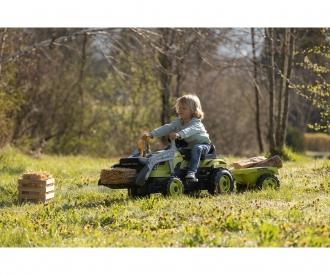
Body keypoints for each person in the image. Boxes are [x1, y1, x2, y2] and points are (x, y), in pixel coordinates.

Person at [142, 94, 211, 181]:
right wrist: (152, 134)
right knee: (170, 150)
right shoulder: (179, 122)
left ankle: (191, 172)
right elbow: (167, 127)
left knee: (196, 148)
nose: (180, 110)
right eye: (179, 108)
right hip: (188, 147)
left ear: (193, 110)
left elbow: (189, 130)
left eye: (184, 108)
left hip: (203, 145)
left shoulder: (196, 123)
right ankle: (168, 171)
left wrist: (179, 134)